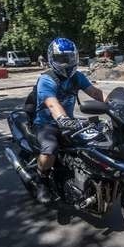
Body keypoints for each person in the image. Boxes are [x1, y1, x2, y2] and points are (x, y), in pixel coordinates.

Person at [33, 37, 104, 203]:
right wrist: (63, 119)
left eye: (69, 58)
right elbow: (52, 104)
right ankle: (41, 179)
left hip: (69, 122)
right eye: (61, 59)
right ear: (52, 59)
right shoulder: (46, 79)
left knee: (97, 140)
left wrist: (117, 104)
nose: (66, 63)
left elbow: (95, 93)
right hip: (46, 124)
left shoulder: (77, 77)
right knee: (50, 148)